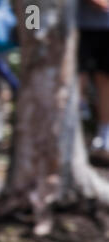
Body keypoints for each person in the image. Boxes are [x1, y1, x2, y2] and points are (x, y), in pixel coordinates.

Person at [78, 0, 109, 163]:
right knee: (77, 76)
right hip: (77, 26)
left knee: (104, 80)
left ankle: (104, 138)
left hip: (105, 26)